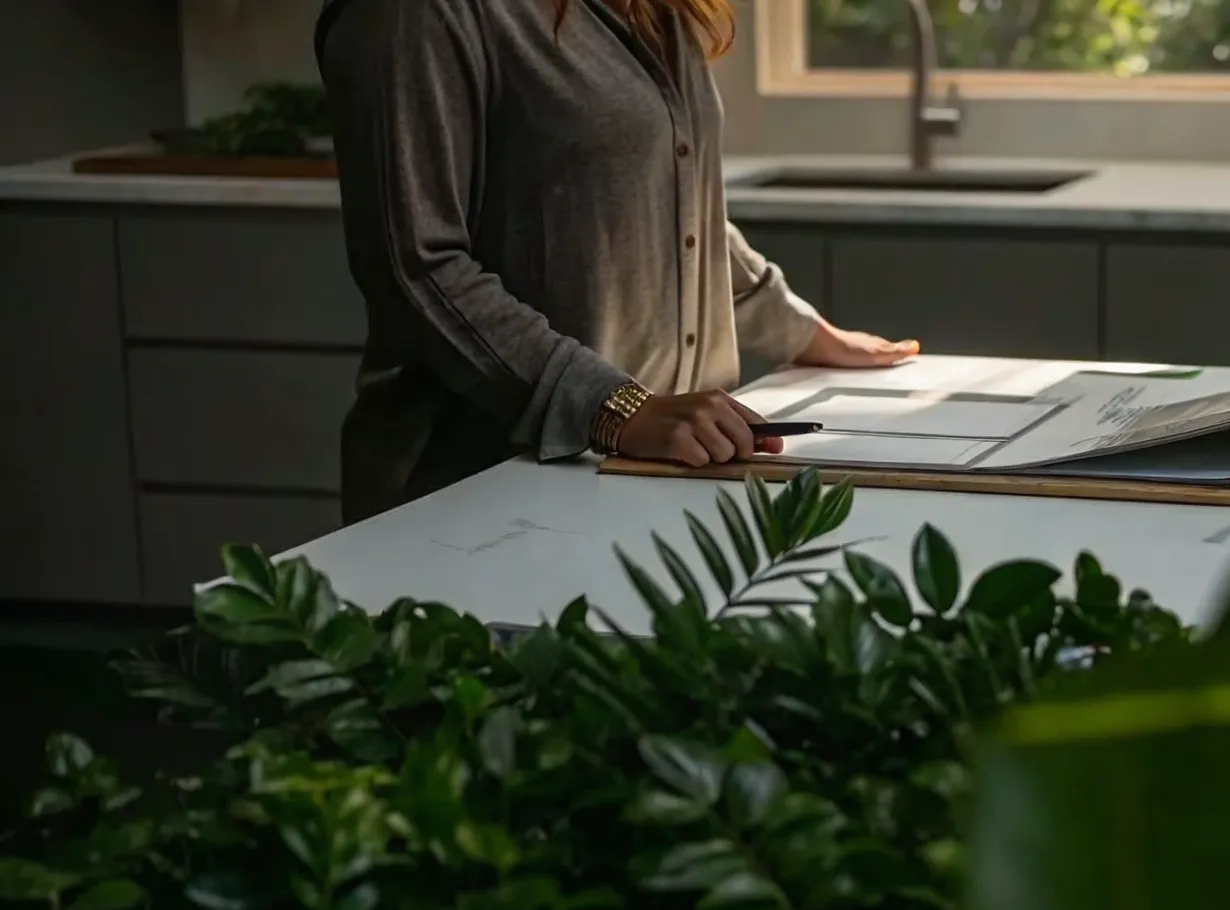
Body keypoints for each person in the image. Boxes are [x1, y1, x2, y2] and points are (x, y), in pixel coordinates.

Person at [315, 0, 918, 523]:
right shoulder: (412, 14)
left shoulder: (652, 9)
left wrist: (801, 330)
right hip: (473, 493)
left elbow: (672, 204)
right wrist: (614, 409)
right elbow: (419, 267)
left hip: (653, 478)